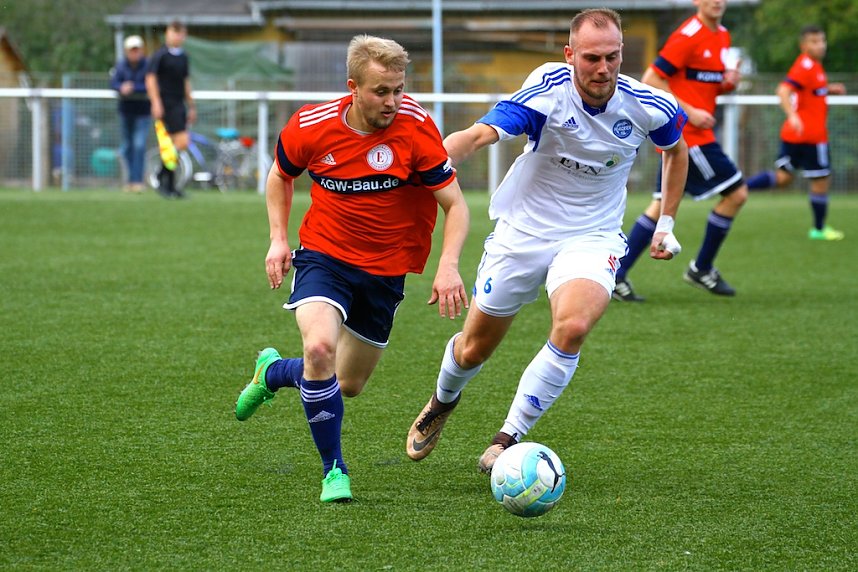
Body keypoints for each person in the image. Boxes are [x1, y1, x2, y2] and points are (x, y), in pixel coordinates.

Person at [405, 9, 688, 472]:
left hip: (592, 236)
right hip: (524, 231)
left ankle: (506, 437)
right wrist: (433, 158)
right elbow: (481, 134)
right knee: (474, 347)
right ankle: (442, 399)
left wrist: (666, 222)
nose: (604, 68)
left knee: (573, 327)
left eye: (613, 57)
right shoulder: (548, 90)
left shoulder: (648, 104)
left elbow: (676, 152)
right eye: (593, 58)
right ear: (570, 54)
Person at [233, 35, 470, 502]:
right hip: (326, 257)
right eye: (381, 91)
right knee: (319, 348)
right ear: (353, 87)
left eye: (399, 89)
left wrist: (448, 265)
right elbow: (281, 175)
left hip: (385, 273)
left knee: (347, 383)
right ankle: (334, 471)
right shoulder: (310, 125)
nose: (393, 101)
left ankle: (274, 372)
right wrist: (279, 238)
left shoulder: (417, 128)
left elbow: (456, 204)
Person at [612, 0, 745, 301]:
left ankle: (616, 275)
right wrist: (692, 111)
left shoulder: (722, 35)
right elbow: (652, 79)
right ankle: (702, 268)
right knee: (737, 194)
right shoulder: (688, 35)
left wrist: (726, 84)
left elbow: (701, 83)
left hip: (689, 135)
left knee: (659, 207)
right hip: (691, 135)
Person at [746, 25, 846, 241]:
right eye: (814, 41)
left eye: (822, 41)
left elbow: (808, 91)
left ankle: (740, 189)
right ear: (803, 45)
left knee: (782, 178)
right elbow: (783, 90)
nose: (820, 45)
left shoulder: (814, 67)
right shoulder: (806, 66)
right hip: (812, 136)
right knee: (821, 180)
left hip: (795, 135)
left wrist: (829, 89)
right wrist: (793, 115)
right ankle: (819, 229)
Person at [145, 20, 196, 198]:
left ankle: (166, 180)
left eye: (179, 32)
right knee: (174, 143)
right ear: (167, 33)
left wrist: (191, 105)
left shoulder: (183, 57)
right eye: (173, 32)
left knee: (175, 146)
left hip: (179, 104)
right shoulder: (160, 55)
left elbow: (185, 82)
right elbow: (150, 79)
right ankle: (167, 183)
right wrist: (156, 102)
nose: (176, 36)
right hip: (165, 104)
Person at [110, 35, 151, 193]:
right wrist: (121, 87)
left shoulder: (147, 65)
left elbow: (151, 84)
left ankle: (137, 181)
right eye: (132, 50)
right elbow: (113, 83)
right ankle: (130, 180)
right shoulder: (121, 66)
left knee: (139, 145)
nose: (135, 53)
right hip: (126, 112)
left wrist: (134, 87)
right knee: (127, 147)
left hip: (143, 113)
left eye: (137, 49)